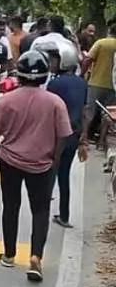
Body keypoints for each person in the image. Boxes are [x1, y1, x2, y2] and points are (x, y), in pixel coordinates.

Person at [0, 50, 72, 282]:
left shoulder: (7, 100)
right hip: (42, 164)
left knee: (11, 206)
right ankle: (36, 257)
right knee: (41, 210)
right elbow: (64, 135)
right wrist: (54, 157)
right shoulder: (55, 103)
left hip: (10, 161)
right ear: (45, 76)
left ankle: (10, 254)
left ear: (19, 75)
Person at [47, 43, 88, 228]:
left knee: (49, 172)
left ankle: (41, 210)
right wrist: (84, 137)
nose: (51, 63)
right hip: (74, 135)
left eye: (54, 60)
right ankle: (64, 215)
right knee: (64, 175)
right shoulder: (82, 83)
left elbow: (48, 111)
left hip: (57, 135)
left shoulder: (55, 84)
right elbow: (85, 111)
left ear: (63, 62)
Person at [83, 23, 116, 148]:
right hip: (113, 86)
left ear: (109, 31)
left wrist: (82, 73)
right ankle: (101, 141)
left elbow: (88, 59)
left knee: (89, 111)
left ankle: (85, 137)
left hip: (96, 82)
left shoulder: (101, 43)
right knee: (107, 114)